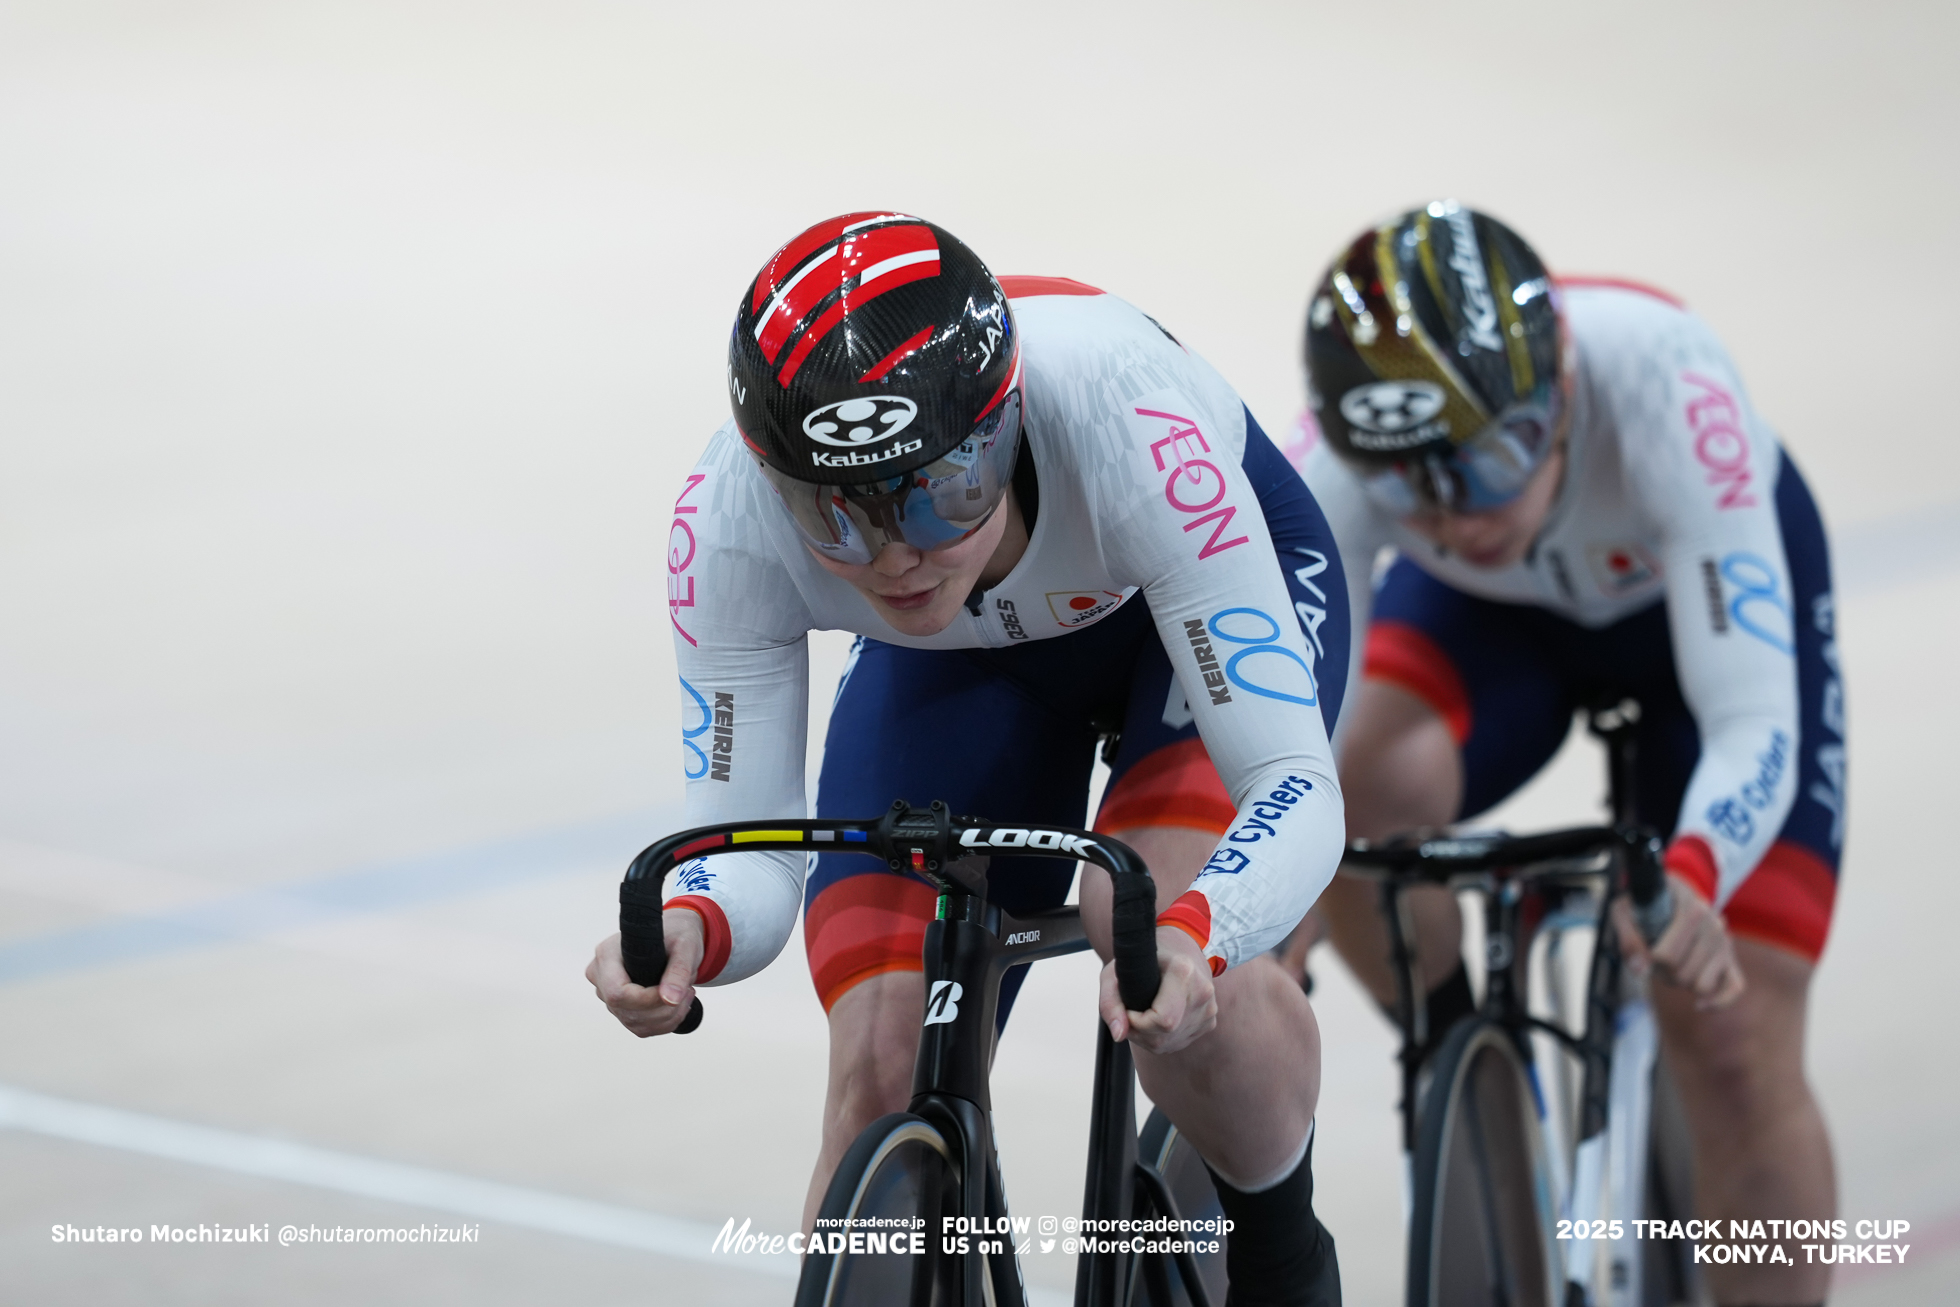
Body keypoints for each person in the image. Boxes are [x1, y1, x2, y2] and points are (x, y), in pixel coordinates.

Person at [587, 213, 1350, 1304]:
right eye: (835, 517)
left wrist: (1201, 929)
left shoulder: (1129, 422)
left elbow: (1292, 787)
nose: (894, 558)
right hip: (957, 655)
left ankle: (1282, 1253)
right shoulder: (730, 521)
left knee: (1143, 928)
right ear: (776, 479)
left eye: (939, 494)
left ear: (1003, 431)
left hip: (1178, 608)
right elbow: (749, 852)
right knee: (876, 1077)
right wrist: (689, 927)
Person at [1295, 201, 1843, 1306]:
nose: (1453, 517)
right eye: (1411, 486)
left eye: (1493, 459)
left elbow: (1751, 723)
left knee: (1732, 1032)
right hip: (1493, 622)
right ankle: (1460, 1059)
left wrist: (1692, 872)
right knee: (1354, 799)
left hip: (1691, 615)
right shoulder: (1344, 462)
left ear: (1566, 393)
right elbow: (1293, 746)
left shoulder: (1666, 379)